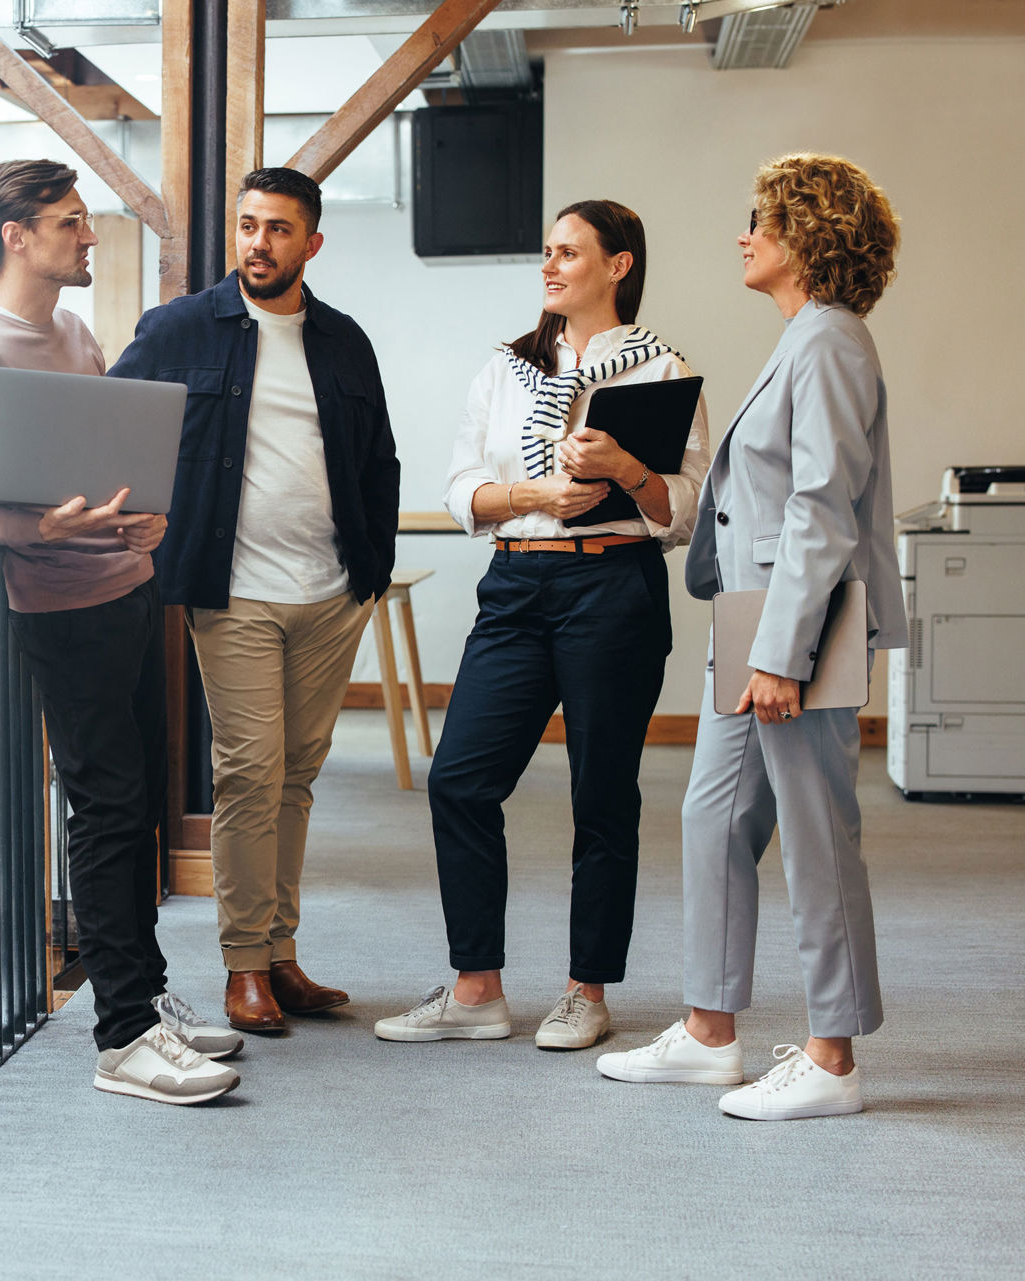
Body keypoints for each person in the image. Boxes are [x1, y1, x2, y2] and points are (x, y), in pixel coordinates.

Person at [0, 159, 241, 1105]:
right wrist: (39, 530)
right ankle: (123, 1037)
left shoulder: (70, 330)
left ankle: (140, 995)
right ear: (16, 235)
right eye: (70, 222)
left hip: (130, 587)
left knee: (136, 807)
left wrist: (148, 517)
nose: (88, 235)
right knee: (104, 810)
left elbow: (111, 460)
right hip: (60, 609)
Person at [598, 154, 905, 1120]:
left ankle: (833, 1058)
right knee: (713, 818)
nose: (745, 235)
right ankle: (707, 1032)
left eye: (760, 222)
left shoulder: (831, 342)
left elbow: (822, 506)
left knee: (817, 836)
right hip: (751, 616)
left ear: (808, 237)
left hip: (796, 622)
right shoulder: (800, 339)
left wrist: (780, 650)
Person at [375, 199, 709, 1051]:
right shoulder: (506, 369)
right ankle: (476, 986)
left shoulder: (662, 370)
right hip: (517, 585)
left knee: (602, 795)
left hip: (613, 586)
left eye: (569, 251)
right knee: (459, 778)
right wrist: (533, 496)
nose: (551, 265)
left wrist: (628, 468)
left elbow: (685, 517)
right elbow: (462, 491)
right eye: (548, 252)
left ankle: (586, 989)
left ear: (619, 265)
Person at [109, 167, 400, 1033]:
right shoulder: (179, 330)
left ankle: (281, 954)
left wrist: (370, 571)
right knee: (248, 774)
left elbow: (377, 459)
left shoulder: (343, 341)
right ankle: (243, 967)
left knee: (296, 780)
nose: (257, 244)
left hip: (330, 592)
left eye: (277, 229)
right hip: (232, 590)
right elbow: (115, 426)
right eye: (247, 226)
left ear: (311, 243)